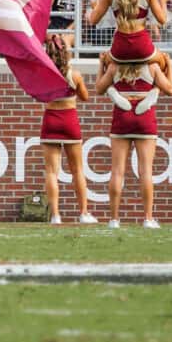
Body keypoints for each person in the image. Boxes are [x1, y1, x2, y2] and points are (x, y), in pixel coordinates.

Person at [95, 56, 171, 229]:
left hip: (122, 115)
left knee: (117, 172)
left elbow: (99, 88)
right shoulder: (152, 67)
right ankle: (148, 219)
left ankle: (114, 220)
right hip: (144, 115)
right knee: (145, 171)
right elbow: (170, 88)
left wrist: (101, 65)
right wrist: (169, 66)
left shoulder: (114, 66)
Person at [38, 33, 97, 226]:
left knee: (51, 172)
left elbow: (38, 95)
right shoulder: (75, 74)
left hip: (51, 120)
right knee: (77, 170)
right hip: (69, 120)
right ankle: (84, 213)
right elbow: (85, 97)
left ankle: (55, 215)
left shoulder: (44, 73)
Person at [85, 0, 170, 88]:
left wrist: (94, 7)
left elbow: (92, 20)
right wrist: (163, 1)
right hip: (143, 47)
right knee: (164, 62)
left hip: (120, 48)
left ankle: (116, 88)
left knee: (108, 64)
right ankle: (152, 89)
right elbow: (162, 20)